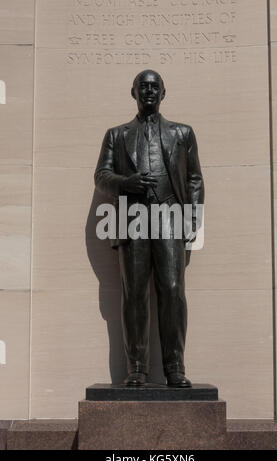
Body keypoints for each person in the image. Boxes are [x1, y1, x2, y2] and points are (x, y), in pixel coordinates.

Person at [95, 70, 204, 387]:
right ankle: (137, 368)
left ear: (163, 93)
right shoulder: (116, 135)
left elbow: (194, 179)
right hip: (132, 217)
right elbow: (101, 176)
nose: (149, 91)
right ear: (133, 93)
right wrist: (125, 182)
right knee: (135, 293)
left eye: (154, 87)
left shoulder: (183, 133)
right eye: (143, 86)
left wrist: (192, 219)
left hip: (170, 215)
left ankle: (175, 367)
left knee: (172, 291)